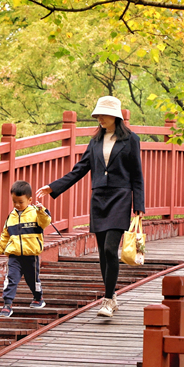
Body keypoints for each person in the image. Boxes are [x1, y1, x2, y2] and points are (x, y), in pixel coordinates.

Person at [36, 96, 145, 318]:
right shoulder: (95, 141)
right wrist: (53, 187)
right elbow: (80, 169)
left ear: (115, 116)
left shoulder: (131, 140)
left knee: (110, 249)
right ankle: (111, 295)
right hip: (99, 199)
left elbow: (137, 174)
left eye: (103, 115)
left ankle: (107, 300)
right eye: (98, 115)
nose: (99, 119)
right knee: (103, 253)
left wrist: (139, 204)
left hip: (121, 198)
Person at [0, 180, 53, 318]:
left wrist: (42, 211)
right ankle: (7, 304)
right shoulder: (11, 217)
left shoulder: (36, 213)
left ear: (30, 200)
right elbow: (5, 236)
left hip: (31, 255)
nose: (17, 205)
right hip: (15, 256)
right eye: (14, 202)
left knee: (33, 280)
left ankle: (38, 298)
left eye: (21, 202)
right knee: (11, 279)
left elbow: (45, 222)